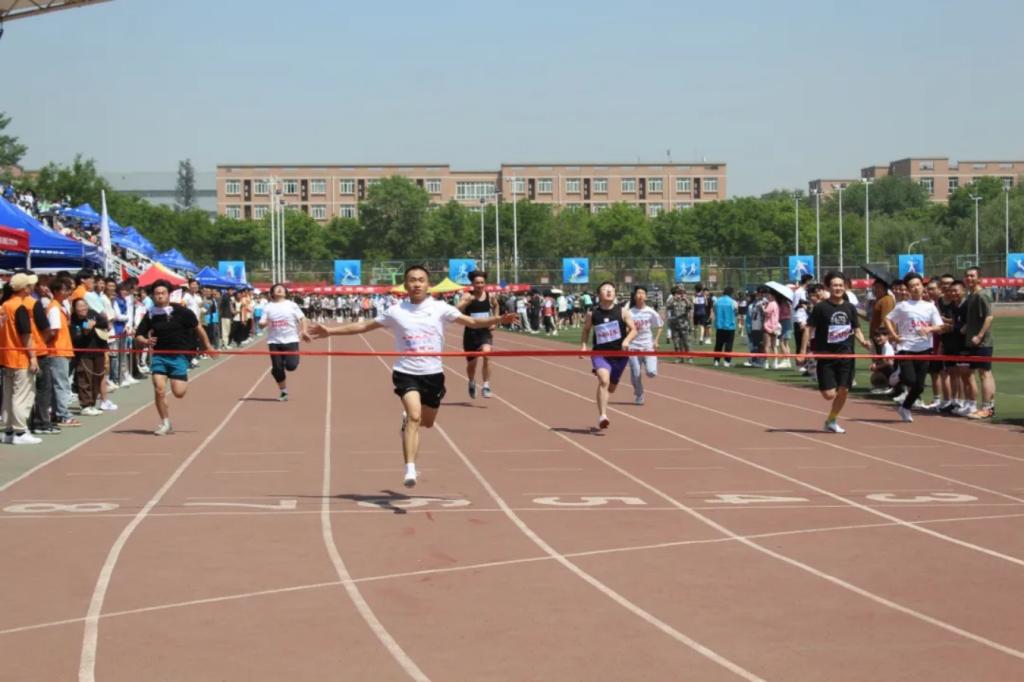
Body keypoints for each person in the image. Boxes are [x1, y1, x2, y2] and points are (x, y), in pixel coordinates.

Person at [310, 266, 516, 488]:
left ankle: (407, 426)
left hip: (433, 374)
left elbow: (473, 322)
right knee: (414, 417)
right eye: (412, 280)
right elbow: (364, 325)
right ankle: (410, 468)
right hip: (406, 373)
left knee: (427, 422)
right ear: (405, 285)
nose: (417, 284)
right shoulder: (395, 311)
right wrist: (330, 331)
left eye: (421, 280)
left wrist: (498, 319)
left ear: (428, 284)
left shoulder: (440, 308)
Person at [134, 279, 216, 436]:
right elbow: (139, 335)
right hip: (159, 356)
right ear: (153, 296)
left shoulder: (182, 312)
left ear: (168, 294)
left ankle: (176, 379)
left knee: (179, 392)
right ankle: (165, 422)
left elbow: (198, 327)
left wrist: (208, 346)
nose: (160, 296)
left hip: (179, 356)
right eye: (156, 293)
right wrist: (145, 341)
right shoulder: (151, 314)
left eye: (162, 293)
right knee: (159, 389)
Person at [799, 272, 871, 433]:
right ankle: (828, 390)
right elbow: (808, 329)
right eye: (834, 285)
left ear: (844, 287)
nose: (838, 288)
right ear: (828, 288)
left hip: (846, 355)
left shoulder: (850, 307)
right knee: (829, 395)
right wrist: (802, 352)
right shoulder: (821, 308)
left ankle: (831, 420)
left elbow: (856, 329)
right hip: (826, 356)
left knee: (844, 389)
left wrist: (863, 341)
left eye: (840, 285)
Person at [884, 273, 944, 423]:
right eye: (912, 286)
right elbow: (887, 319)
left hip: (924, 349)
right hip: (906, 348)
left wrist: (929, 329)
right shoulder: (903, 306)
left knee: (920, 387)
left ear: (923, 286)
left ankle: (905, 407)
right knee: (910, 380)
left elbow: (940, 326)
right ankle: (900, 375)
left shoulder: (930, 307)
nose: (916, 288)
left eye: (918, 285)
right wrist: (894, 335)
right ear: (908, 289)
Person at [580, 281, 637, 430]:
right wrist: (584, 346)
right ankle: (603, 416)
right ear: (599, 294)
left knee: (611, 388)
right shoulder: (593, 314)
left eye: (611, 289)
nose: (609, 291)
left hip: (620, 355)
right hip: (600, 354)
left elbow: (634, 330)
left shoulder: (623, 312)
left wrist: (626, 340)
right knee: (604, 381)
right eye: (605, 289)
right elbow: (586, 330)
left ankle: (605, 402)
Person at [1, 272, 44, 445]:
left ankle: (9, 431)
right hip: (20, 357)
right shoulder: (19, 307)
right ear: (24, 288)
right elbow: (26, 334)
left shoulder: (4, 305)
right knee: (22, 396)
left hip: (7, 356)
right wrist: (33, 357)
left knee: (8, 395)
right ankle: (20, 432)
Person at [259, 283, 312, 401]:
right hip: (274, 341)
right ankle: (283, 392)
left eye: (282, 288)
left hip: (291, 340)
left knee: (291, 366)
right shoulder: (268, 307)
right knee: (278, 370)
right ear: (272, 293)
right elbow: (261, 324)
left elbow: (302, 318)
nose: (279, 289)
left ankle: (279, 366)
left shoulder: (292, 305)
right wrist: (263, 324)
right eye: (276, 288)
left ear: (285, 293)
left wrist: (304, 331)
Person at [456, 270, 498, 399]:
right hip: (471, 333)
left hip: (485, 332)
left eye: (482, 282)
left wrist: (495, 321)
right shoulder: (467, 296)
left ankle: (486, 386)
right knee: (472, 364)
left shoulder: (490, 296)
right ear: (472, 284)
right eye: (477, 283)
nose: (480, 285)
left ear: (485, 283)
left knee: (487, 355)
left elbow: (496, 306)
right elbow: (455, 310)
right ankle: (471, 381)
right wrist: (466, 302)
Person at [45, 277, 80, 428]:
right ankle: (62, 415)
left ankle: (57, 413)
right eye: (65, 290)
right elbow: (53, 331)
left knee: (58, 384)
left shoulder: (59, 306)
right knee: (61, 384)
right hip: (57, 350)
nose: (68, 292)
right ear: (56, 291)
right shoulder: (54, 308)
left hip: (61, 349)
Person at [962, 267, 996, 419]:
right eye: (967, 276)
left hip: (982, 343)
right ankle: (988, 406)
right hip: (972, 342)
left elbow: (989, 317)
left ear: (979, 278)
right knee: (983, 373)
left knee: (984, 374)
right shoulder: (971, 296)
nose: (969, 278)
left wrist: (979, 335)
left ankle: (987, 408)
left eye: (972, 276)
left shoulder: (982, 295)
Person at [70, 297, 109, 418]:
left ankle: (92, 403)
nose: (83, 308)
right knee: (84, 378)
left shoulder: (92, 313)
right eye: (79, 306)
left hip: (98, 351)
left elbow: (105, 322)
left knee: (97, 378)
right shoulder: (73, 321)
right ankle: (85, 405)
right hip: (84, 354)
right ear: (74, 309)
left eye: (84, 305)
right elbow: (76, 339)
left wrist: (94, 323)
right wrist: (85, 330)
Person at [627, 286, 663, 405]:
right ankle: (639, 394)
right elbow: (625, 328)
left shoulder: (650, 311)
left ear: (646, 297)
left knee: (651, 372)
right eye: (638, 293)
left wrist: (656, 340)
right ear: (635, 296)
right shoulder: (629, 312)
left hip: (648, 346)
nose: (640, 295)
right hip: (633, 347)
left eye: (643, 293)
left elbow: (660, 325)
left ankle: (652, 363)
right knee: (636, 374)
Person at [664, 286, 693, 363]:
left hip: (684, 324)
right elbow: (667, 307)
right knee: (676, 342)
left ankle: (689, 357)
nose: (680, 294)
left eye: (681, 292)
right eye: (678, 292)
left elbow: (690, 307)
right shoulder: (672, 300)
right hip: (675, 325)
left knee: (686, 342)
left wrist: (685, 299)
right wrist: (673, 298)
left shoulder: (686, 300)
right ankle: (679, 357)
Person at [712, 286, 738, 368]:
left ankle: (716, 361)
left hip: (720, 326)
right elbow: (736, 312)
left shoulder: (717, 301)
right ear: (731, 293)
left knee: (718, 344)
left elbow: (714, 311)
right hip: (730, 326)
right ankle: (727, 361)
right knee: (728, 344)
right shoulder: (733, 302)